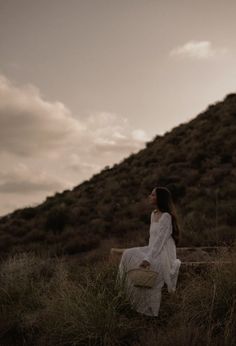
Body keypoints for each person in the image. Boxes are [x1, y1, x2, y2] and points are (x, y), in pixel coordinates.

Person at [117, 186, 181, 317]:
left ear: (160, 198)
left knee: (148, 264)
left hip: (163, 253)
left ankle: (148, 308)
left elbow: (160, 241)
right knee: (128, 254)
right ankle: (122, 291)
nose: (149, 197)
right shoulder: (153, 214)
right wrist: (146, 253)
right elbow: (152, 240)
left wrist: (148, 259)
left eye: (153, 195)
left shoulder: (166, 217)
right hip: (152, 248)